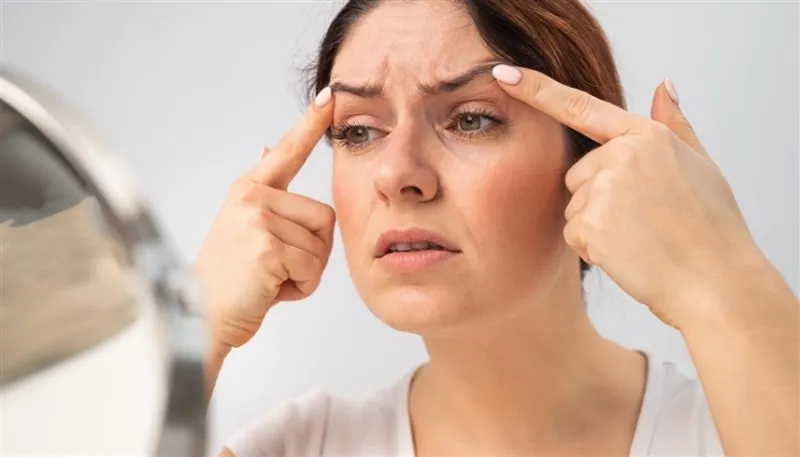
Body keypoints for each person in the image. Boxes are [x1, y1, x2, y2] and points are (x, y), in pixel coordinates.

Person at [195, 0, 799, 455]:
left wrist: (720, 278)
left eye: (471, 120)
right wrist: (195, 331)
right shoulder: (304, 447)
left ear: (594, 157)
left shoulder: (732, 432)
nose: (398, 175)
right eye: (358, 131)